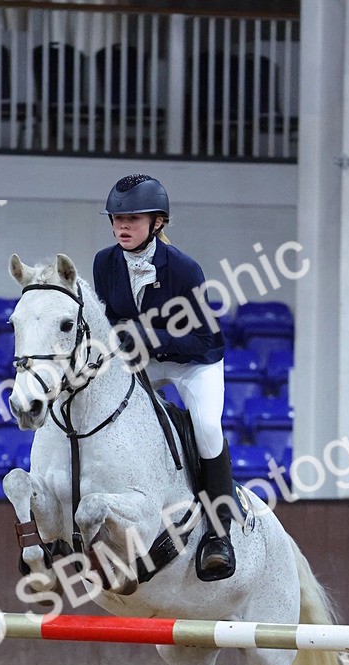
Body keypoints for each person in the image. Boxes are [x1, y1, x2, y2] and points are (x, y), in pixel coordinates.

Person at [92, 173, 236, 582]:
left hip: (194, 361)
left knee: (207, 426)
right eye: (117, 218)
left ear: (158, 223)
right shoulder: (105, 262)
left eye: (133, 218)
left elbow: (204, 339)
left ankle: (219, 533)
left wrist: (148, 335)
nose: (122, 226)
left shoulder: (185, 270)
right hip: (145, 360)